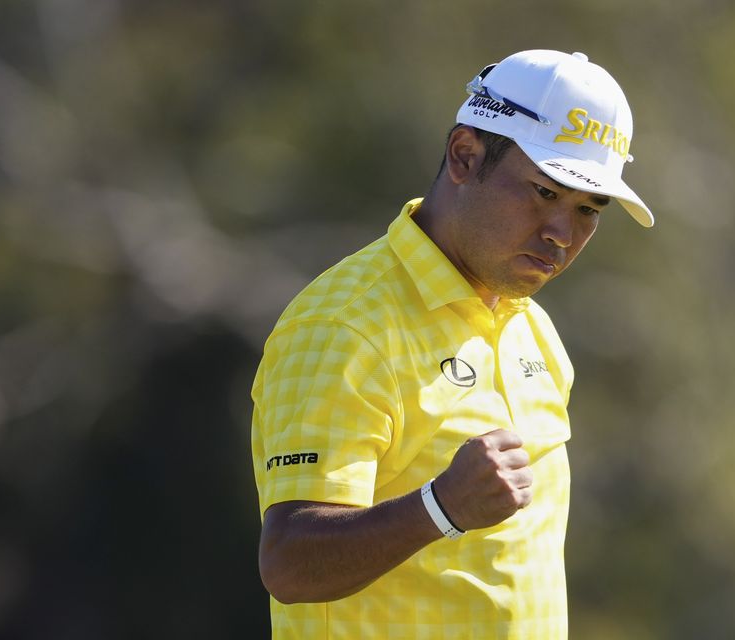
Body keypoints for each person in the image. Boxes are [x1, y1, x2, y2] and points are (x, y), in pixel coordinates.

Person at [251, 49, 654, 639]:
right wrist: (440, 508)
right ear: (465, 156)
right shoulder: (344, 325)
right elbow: (289, 563)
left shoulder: (534, 330)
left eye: (588, 209)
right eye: (544, 193)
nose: (561, 234)